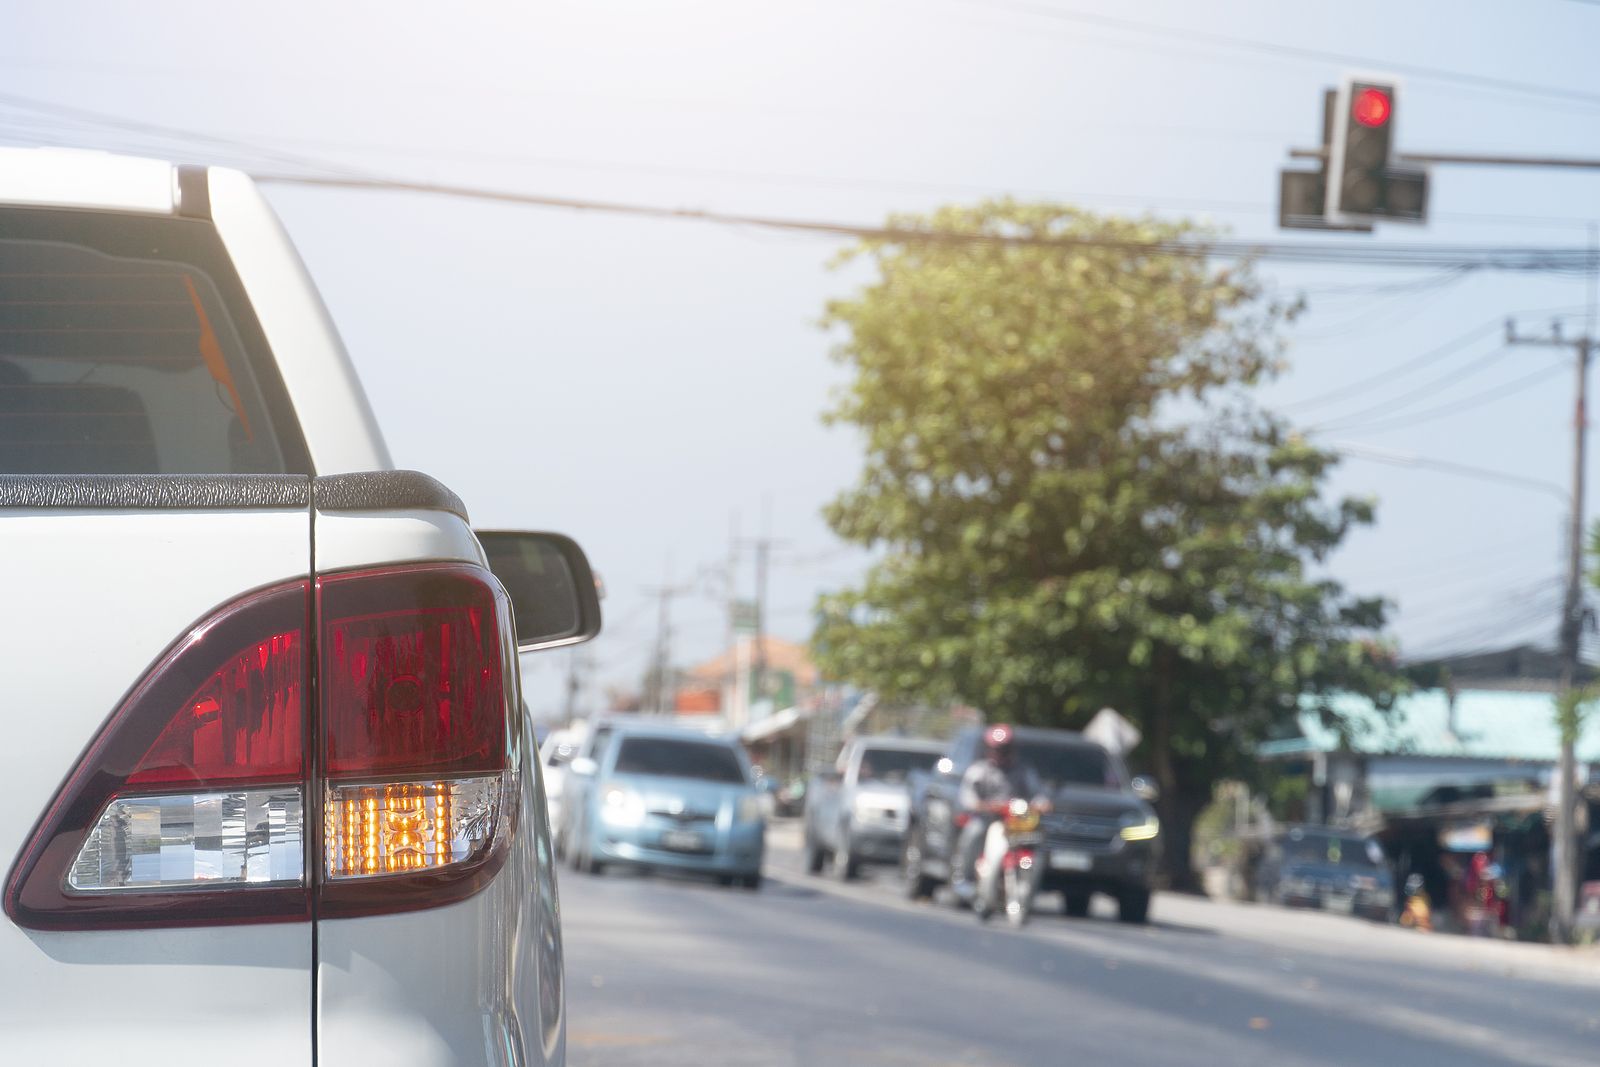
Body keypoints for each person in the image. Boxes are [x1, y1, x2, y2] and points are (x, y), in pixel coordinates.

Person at [951, 724, 1045, 903]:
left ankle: (1028, 878)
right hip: (987, 819)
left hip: (1016, 822)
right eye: (997, 749)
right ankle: (965, 877)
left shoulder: (1023, 771)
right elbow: (967, 798)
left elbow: (1037, 794)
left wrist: (1042, 804)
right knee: (974, 832)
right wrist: (983, 805)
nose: (1000, 753)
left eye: (1004, 749)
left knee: (1036, 838)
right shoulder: (978, 770)